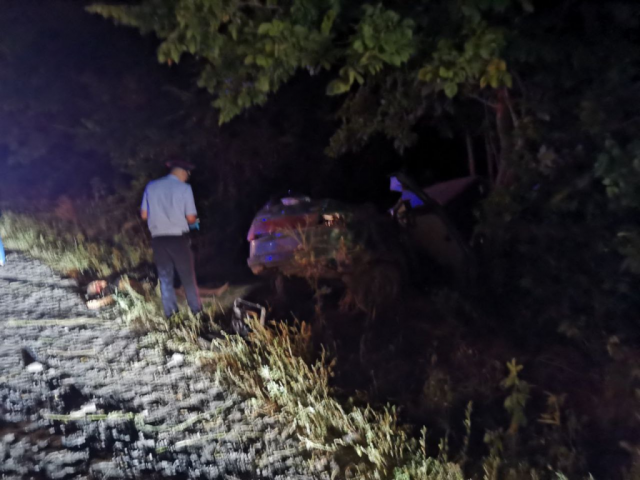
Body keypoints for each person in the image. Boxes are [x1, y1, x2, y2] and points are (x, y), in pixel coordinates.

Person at [140, 160, 202, 317]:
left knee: (165, 279)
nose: (187, 178)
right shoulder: (184, 188)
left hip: (158, 239)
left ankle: (171, 315)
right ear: (182, 172)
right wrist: (196, 223)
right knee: (187, 277)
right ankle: (196, 312)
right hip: (178, 238)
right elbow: (191, 218)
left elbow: (144, 215)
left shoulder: (151, 186)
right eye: (187, 175)